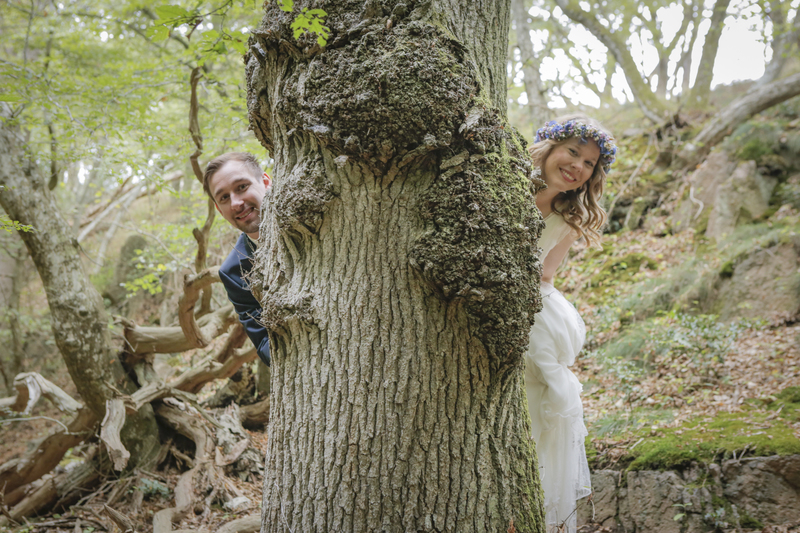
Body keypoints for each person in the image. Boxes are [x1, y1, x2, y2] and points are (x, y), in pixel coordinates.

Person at [524, 115, 616, 533]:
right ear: (548, 148)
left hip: (530, 302)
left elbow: (545, 275)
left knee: (545, 395)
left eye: (589, 163)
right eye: (572, 152)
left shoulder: (565, 220)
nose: (578, 165)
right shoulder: (509, 189)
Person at [203, 152, 272, 366]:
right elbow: (263, 343)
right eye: (224, 197)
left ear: (266, 182)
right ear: (219, 210)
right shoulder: (233, 272)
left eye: (242, 186)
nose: (235, 203)